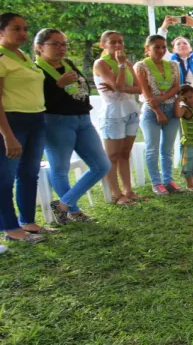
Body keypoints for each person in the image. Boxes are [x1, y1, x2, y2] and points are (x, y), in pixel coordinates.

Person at [35, 28, 110, 224]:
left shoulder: (67, 63)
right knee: (60, 169)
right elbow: (39, 100)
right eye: (55, 44)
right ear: (40, 47)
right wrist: (58, 85)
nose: (61, 48)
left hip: (82, 119)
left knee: (102, 165)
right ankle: (73, 211)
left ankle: (64, 204)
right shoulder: (37, 70)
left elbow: (81, 87)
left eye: (63, 44)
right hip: (56, 121)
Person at [0, 13, 55, 249]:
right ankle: (11, 229)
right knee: (5, 177)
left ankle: (28, 222)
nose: (23, 33)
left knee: (29, 173)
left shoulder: (23, 57)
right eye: (16, 29)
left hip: (36, 118)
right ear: (1, 31)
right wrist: (7, 135)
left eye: (25, 28)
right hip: (12, 121)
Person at [93, 30, 143, 205]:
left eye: (120, 42)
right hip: (112, 114)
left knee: (125, 153)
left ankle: (128, 189)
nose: (117, 45)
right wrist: (121, 68)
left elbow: (139, 88)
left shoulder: (128, 63)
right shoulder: (101, 64)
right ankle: (116, 193)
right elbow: (119, 86)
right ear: (103, 45)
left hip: (130, 111)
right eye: (113, 42)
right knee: (112, 155)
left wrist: (122, 87)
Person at [135, 35, 182, 195]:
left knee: (167, 149)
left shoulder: (173, 65)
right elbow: (146, 92)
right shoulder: (141, 66)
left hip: (171, 109)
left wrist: (162, 98)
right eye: (157, 47)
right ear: (147, 48)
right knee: (152, 148)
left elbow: (177, 87)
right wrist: (158, 111)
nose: (161, 50)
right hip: (151, 111)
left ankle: (168, 180)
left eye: (164, 47)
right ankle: (156, 183)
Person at [157, 15, 193, 86]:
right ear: (173, 50)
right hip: (176, 96)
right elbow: (159, 42)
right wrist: (164, 27)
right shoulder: (169, 58)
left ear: (190, 48)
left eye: (185, 43)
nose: (182, 45)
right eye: (178, 44)